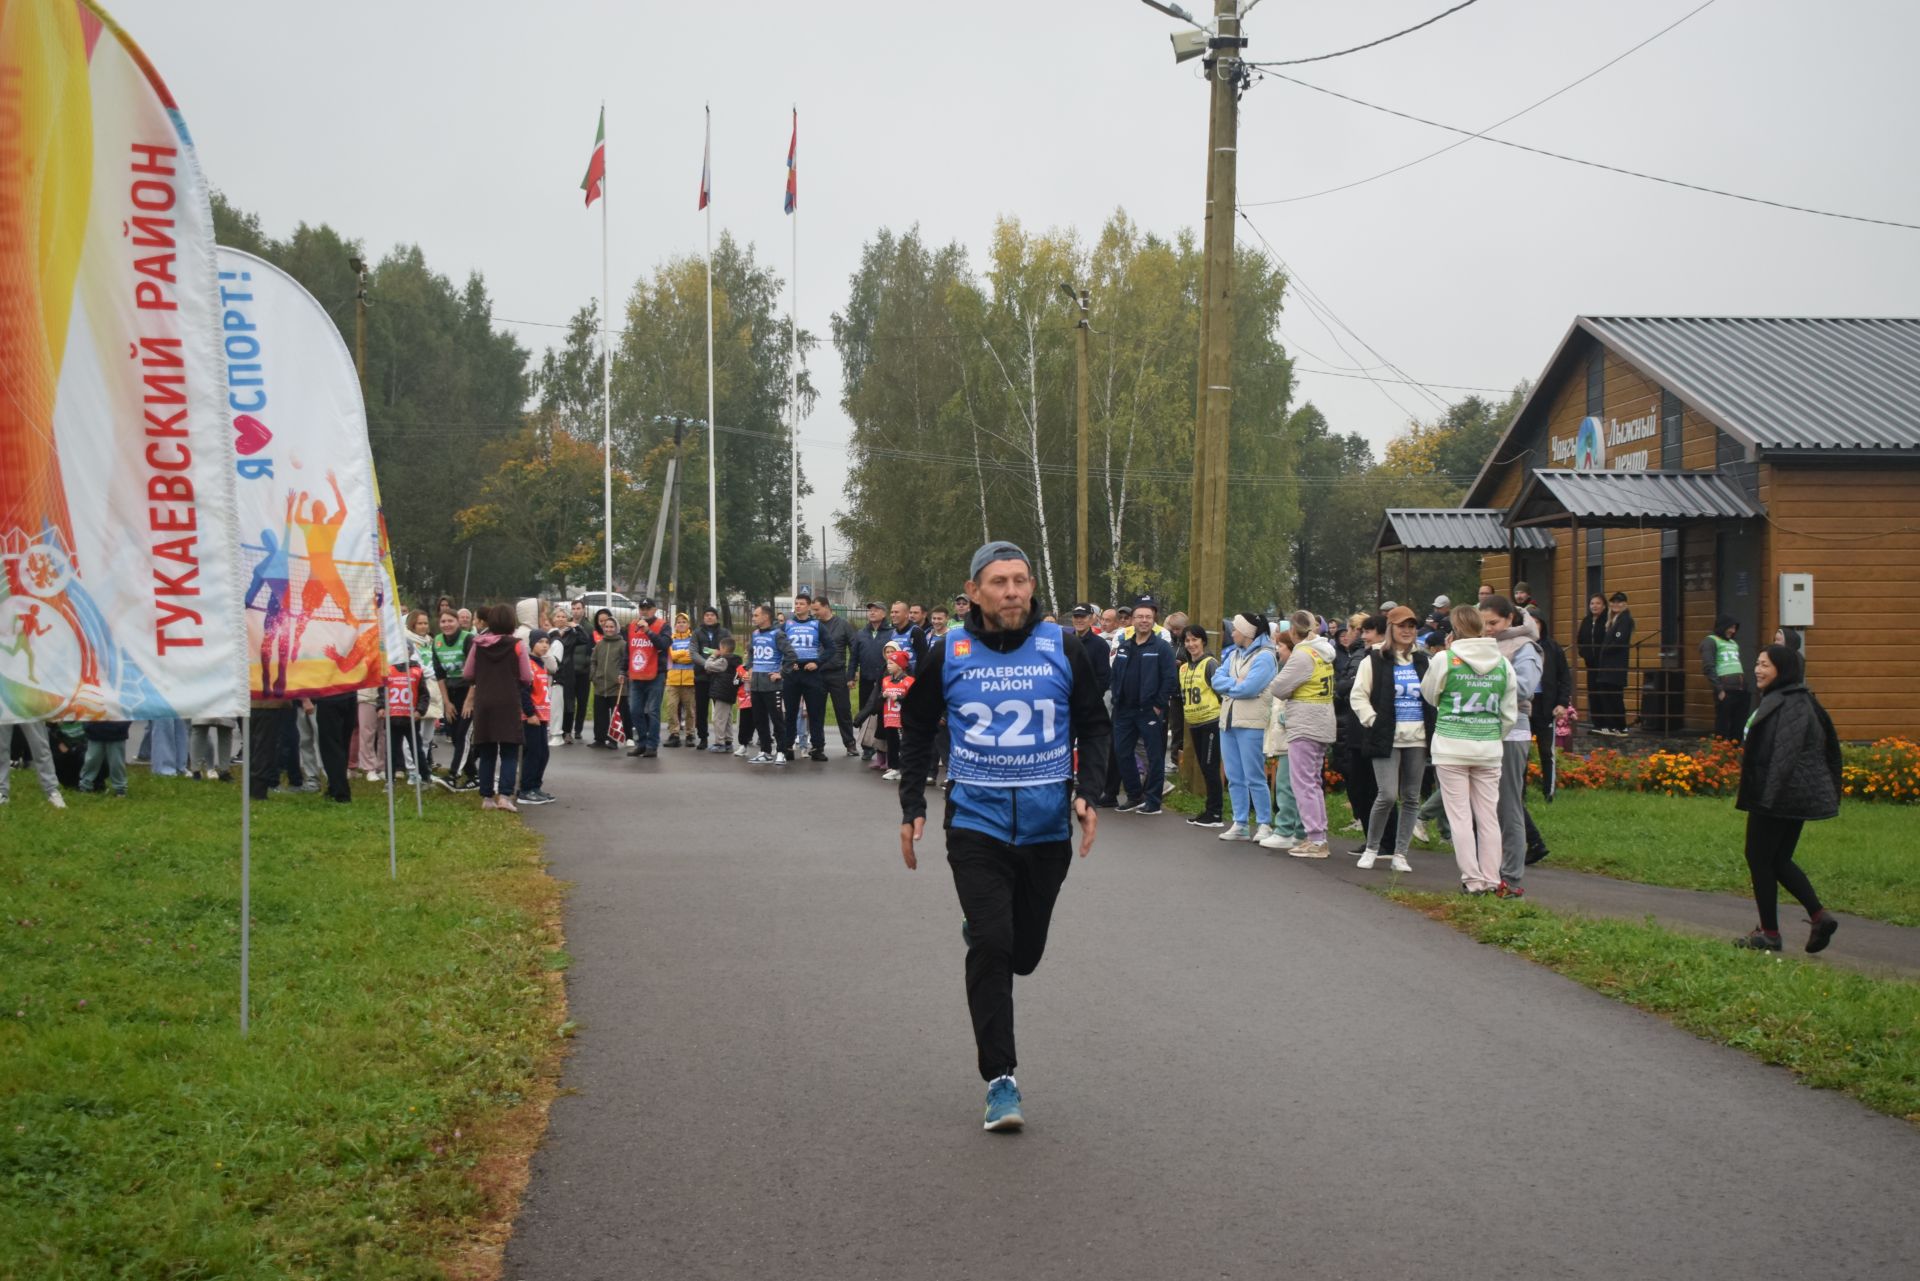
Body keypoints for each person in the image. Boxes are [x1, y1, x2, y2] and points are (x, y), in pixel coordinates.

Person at [894, 540, 1110, 1132]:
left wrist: (1087, 790)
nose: (1012, 591)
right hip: (975, 824)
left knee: (1025, 955)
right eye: (998, 582)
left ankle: (992, 931)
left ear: (1032, 586)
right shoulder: (949, 652)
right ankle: (1001, 1080)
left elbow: (1095, 726)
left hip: (1045, 830)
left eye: (1020, 580)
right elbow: (914, 729)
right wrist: (912, 801)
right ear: (973, 593)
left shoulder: (1062, 647)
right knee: (991, 944)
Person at [1733, 643, 1842, 953]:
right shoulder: (1801, 699)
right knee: (1777, 859)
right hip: (1796, 795)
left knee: (1758, 857)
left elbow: (1784, 753)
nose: (1757, 669)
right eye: (1757, 662)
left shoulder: (1787, 702)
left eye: (1765, 664)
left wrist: (1767, 797)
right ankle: (1820, 917)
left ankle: (1769, 933)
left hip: (1779, 794)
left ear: (1783, 669)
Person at [1422, 605, 1519, 894]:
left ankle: (1472, 880)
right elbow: (1509, 714)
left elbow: (1429, 695)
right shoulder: (1503, 664)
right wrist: (1491, 735)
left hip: (1451, 745)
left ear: (1454, 632)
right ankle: (1491, 878)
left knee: (1460, 817)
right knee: (1488, 817)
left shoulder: (1445, 659)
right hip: (1488, 748)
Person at [1351, 605, 1429, 872]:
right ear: (1391, 629)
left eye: (1411, 626)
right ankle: (1373, 848)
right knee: (1386, 794)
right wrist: (1374, 721)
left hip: (1417, 738)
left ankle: (1401, 853)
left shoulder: (1422, 661)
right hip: (1386, 738)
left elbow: (1433, 694)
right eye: (1401, 626)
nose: (1407, 631)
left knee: (1410, 797)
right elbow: (1358, 696)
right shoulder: (1373, 660)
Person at [1484, 595, 1544, 898]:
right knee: (1487, 807)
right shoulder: (1486, 644)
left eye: (1493, 623)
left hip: (1511, 732)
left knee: (1508, 807)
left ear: (1510, 619)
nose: (1488, 630)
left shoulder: (1526, 647)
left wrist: (1483, 677)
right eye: (1483, 625)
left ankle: (1511, 878)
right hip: (1483, 729)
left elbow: (1525, 685)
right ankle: (1489, 873)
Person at [1268, 609, 1338, 858]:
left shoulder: (1301, 655)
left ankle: (1316, 839)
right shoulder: (1324, 652)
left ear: (1294, 633)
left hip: (1305, 723)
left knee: (1303, 783)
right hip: (1323, 720)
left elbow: (1278, 687)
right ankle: (1318, 834)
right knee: (1313, 782)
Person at [1108, 595, 1176, 816]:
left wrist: (1158, 705)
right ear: (1133, 620)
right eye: (1139, 617)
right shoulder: (1125, 646)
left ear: (1154, 619)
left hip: (1149, 710)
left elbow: (1169, 679)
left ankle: (1153, 801)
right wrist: (1117, 699)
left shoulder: (1162, 647)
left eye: (1148, 616)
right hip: (1124, 710)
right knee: (1122, 752)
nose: (1144, 620)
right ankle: (1134, 795)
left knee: (1155, 756)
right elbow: (1116, 675)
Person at [1211, 614, 1277, 843]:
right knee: (1234, 775)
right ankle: (1240, 822)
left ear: (1248, 633)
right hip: (1228, 720)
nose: (1232, 633)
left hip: (1252, 722)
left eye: (1236, 630)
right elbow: (1216, 680)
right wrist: (1234, 684)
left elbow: (1250, 688)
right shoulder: (1234, 653)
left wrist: (1233, 686)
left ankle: (1263, 823)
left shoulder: (1266, 657)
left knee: (1254, 775)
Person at [465, 603, 534, 812]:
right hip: (508, 702)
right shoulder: (517, 645)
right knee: (509, 751)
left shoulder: (478, 644)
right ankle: (504, 796)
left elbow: (468, 673)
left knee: (486, 750)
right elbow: (526, 676)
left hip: (484, 701)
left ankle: (486, 798)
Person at [1332, 612, 1375, 836]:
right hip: (1347, 719)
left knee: (1356, 777)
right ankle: (1361, 817)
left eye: (1349, 629)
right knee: (1352, 774)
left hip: (1351, 720)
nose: (1345, 634)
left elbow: (1349, 686)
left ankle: (1362, 819)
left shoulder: (1359, 656)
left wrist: (1339, 688)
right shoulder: (1354, 653)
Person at [1177, 624, 1224, 827]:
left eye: (1195, 639)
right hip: (1194, 723)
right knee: (1204, 767)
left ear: (1203, 641)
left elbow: (1222, 691)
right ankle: (1210, 809)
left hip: (1211, 721)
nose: (1191, 644)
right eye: (1187, 641)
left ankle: (1215, 813)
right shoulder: (1184, 667)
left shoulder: (1210, 663)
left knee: (1210, 766)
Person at [429, 609, 477, 788]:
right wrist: (446, 703)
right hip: (451, 693)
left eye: (450, 621)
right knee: (456, 737)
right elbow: (440, 675)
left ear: (458, 622)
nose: (447, 625)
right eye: (443, 622)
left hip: (469, 691)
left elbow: (476, 673)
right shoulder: (437, 642)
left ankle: (453, 774)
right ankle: (473, 775)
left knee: (463, 735)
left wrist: (469, 701)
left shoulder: (468, 639)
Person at [781, 590, 830, 762]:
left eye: (801, 604)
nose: (798, 606)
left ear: (809, 606)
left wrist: (818, 662)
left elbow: (831, 648)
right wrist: (787, 662)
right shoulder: (787, 625)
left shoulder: (817, 625)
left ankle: (817, 747)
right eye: (796, 604)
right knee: (790, 712)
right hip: (793, 673)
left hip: (811, 672)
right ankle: (787, 747)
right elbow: (776, 645)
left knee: (815, 712)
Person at [745, 604, 797, 765]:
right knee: (759, 719)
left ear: (766, 617)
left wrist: (780, 674)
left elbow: (791, 655)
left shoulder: (777, 634)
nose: (753, 618)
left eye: (756, 615)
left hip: (772, 685)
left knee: (777, 719)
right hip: (756, 684)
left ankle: (781, 751)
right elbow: (751, 654)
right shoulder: (754, 634)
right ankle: (765, 751)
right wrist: (750, 668)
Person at [813, 596, 859, 757]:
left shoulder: (843, 625)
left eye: (817, 609)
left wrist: (852, 673)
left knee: (843, 709)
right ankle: (817, 745)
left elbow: (854, 648)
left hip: (837, 673)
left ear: (826, 607)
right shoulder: (814, 625)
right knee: (817, 711)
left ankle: (850, 743)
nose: (815, 612)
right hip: (816, 673)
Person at [624, 598, 667, 757]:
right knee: (635, 710)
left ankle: (652, 745)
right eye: (642, 608)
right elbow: (628, 650)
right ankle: (641, 742)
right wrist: (623, 670)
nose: (644, 611)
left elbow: (664, 644)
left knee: (652, 711)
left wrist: (648, 631)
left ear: (654, 609)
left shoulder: (662, 626)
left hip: (656, 675)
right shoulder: (632, 626)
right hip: (636, 675)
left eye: (648, 608)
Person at [518, 632, 556, 805]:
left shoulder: (542, 664)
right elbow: (524, 692)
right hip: (531, 717)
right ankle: (525, 790)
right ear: (532, 643)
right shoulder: (528, 664)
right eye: (540, 642)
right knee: (533, 753)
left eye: (547, 642)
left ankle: (535, 786)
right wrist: (530, 713)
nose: (544, 645)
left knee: (543, 754)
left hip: (542, 716)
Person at [1590, 592, 1634, 735]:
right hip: (1608, 666)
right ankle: (1613, 726)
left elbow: (1619, 638)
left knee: (1614, 696)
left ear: (1625, 604)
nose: (1616, 604)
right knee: (1608, 695)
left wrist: (1606, 649)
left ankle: (1619, 726)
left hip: (1615, 666)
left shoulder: (1624, 620)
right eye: (1613, 602)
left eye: (1619, 602)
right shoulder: (1614, 620)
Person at [1701, 616, 1749, 742]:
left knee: (1739, 723)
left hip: (1742, 689)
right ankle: (1720, 751)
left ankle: (1735, 751)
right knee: (1723, 724)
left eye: (1734, 628)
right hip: (1725, 689)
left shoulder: (1733, 643)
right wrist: (1719, 689)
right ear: (1722, 626)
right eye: (1731, 627)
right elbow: (1708, 667)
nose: (1733, 631)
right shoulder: (1710, 641)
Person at [0, 721, 66, 809]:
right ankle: (2, 792)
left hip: (29, 707)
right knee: (1, 747)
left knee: (40, 745)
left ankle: (52, 791)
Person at [875, 641, 914, 779]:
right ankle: (893, 767)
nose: (888, 665)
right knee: (891, 743)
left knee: (902, 744)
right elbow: (880, 696)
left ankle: (903, 768)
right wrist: (883, 695)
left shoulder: (909, 681)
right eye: (888, 663)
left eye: (891, 663)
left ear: (900, 666)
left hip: (901, 719)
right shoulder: (886, 680)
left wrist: (898, 697)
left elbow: (912, 700)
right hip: (888, 717)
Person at [587, 609, 626, 749]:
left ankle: (613, 740)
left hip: (616, 686)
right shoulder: (600, 644)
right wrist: (593, 675)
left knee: (615, 714)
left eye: (611, 627)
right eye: (606, 627)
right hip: (600, 685)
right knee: (600, 714)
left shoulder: (622, 644)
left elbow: (625, 662)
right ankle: (599, 739)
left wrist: (622, 675)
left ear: (616, 628)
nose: (609, 629)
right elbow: (593, 661)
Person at [690, 606, 728, 750]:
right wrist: (707, 664)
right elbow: (693, 653)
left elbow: (727, 651)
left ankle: (723, 739)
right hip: (701, 676)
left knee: (721, 709)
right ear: (703, 617)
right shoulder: (697, 633)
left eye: (712, 615)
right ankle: (703, 737)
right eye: (706, 615)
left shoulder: (724, 632)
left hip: (720, 676)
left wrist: (715, 666)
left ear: (716, 617)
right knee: (701, 709)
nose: (709, 617)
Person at [663, 612, 698, 747]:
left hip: (689, 679)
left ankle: (690, 734)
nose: (681, 624)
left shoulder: (693, 639)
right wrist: (683, 653)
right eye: (678, 622)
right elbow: (671, 655)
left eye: (684, 622)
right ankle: (674, 734)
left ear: (688, 624)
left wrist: (680, 655)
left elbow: (692, 656)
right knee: (671, 708)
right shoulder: (671, 639)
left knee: (690, 709)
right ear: (675, 625)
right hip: (673, 679)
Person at [704, 633, 741, 752]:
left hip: (722, 692)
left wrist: (713, 656)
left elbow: (708, 666)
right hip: (729, 692)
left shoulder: (724, 661)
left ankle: (719, 743)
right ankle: (728, 741)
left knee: (719, 718)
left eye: (720, 648)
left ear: (724, 649)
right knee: (728, 718)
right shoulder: (736, 660)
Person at [80, 719, 132, 796]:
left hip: (116, 734)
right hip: (95, 732)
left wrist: (121, 726)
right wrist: (88, 725)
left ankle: (120, 789)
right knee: (91, 761)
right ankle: (85, 786)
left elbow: (127, 713)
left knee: (116, 763)